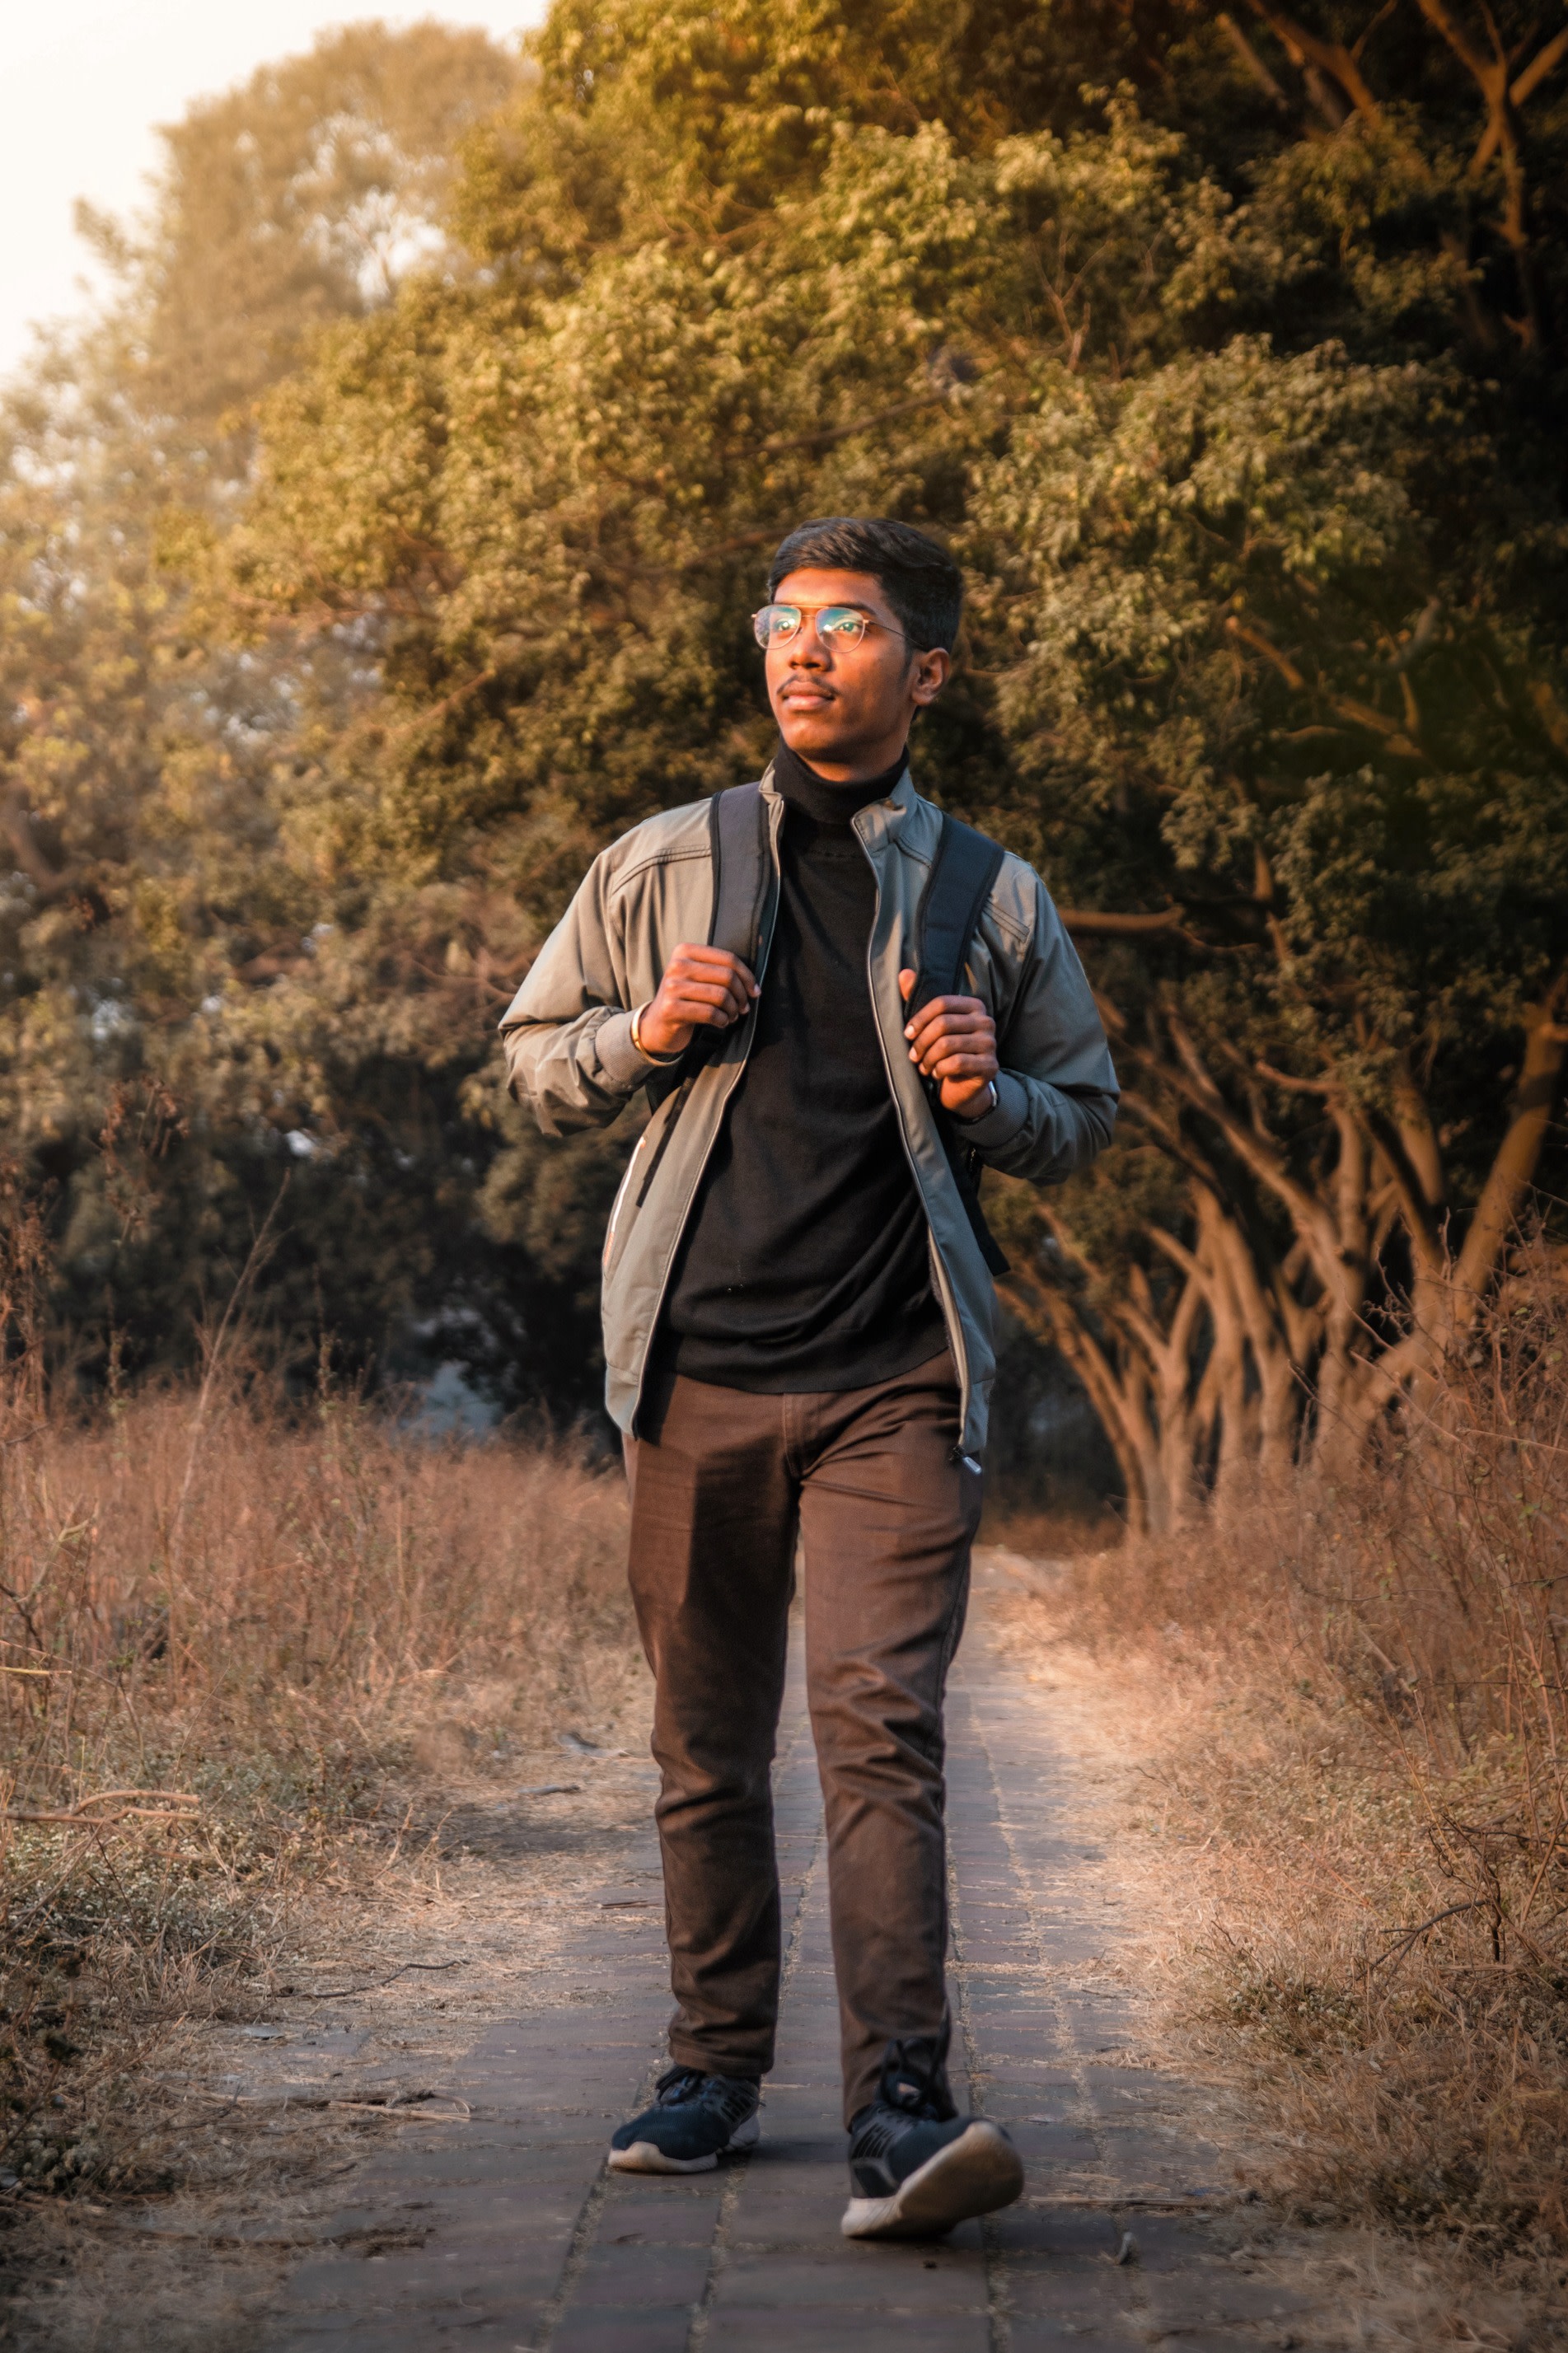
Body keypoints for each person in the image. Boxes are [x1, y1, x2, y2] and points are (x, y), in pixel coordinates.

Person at [500, 516, 1118, 2241]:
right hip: (693, 1371)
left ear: (924, 671)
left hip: (895, 1383)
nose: (800, 648)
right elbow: (527, 1058)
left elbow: (1085, 1112)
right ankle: (708, 2071)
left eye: (843, 626)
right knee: (704, 1748)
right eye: (780, 620)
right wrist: (640, 1035)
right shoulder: (663, 864)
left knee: (878, 1735)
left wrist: (996, 1095)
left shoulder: (994, 894)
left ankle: (900, 2108)